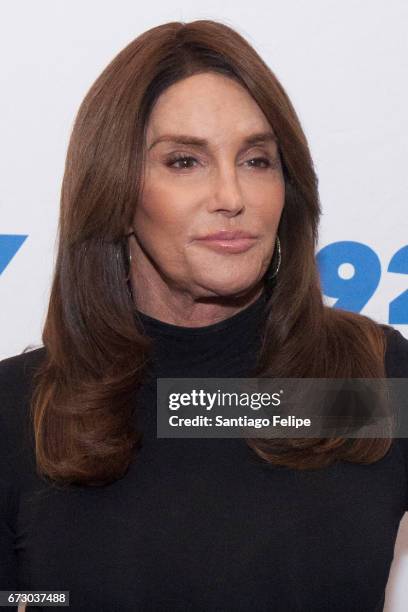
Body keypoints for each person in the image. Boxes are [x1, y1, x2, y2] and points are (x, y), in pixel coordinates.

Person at [1, 18, 407, 612]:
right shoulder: (20, 411)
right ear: (114, 190)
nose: (231, 195)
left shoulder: (369, 383)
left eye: (258, 160)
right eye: (184, 161)